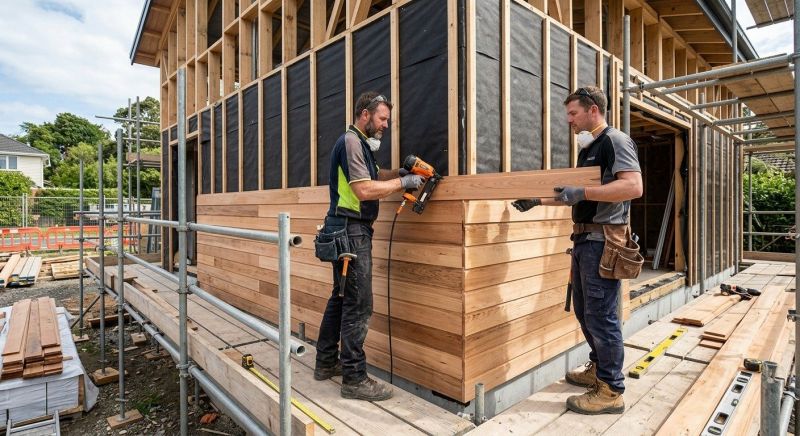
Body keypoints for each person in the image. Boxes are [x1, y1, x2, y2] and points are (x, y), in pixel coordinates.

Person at [512, 85, 642, 415]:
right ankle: (599, 370)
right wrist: (538, 201)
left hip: (604, 241)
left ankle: (611, 390)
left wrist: (582, 191)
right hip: (585, 240)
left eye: (573, 113)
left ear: (593, 110)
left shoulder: (615, 141)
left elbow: (632, 186)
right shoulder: (588, 148)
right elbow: (576, 194)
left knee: (602, 316)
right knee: (586, 312)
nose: (568, 120)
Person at [314, 91, 425, 401]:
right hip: (351, 232)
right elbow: (364, 189)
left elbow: (373, 177)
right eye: (382, 118)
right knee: (358, 305)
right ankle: (354, 378)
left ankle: (325, 363)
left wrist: (399, 174)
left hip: (345, 229)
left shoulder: (359, 145)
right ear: (364, 114)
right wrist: (403, 184)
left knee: (341, 298)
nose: (386, 125)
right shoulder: (351, 142)